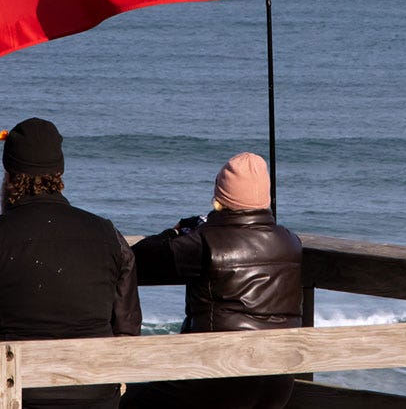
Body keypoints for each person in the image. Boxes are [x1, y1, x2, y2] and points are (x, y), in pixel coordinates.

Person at [0, 117, 142, 409]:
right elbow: (128, 327)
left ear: (9, 176)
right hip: (96, 397)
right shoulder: (108, 236)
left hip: (10, 397)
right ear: (59, 173)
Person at [121, 152, 302, 409]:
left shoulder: (205, 243)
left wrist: (176, 231)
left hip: (217, 375)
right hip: (278, 379)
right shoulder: (291, 241)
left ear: (220, 197)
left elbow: (139, 259)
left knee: (128, 402)